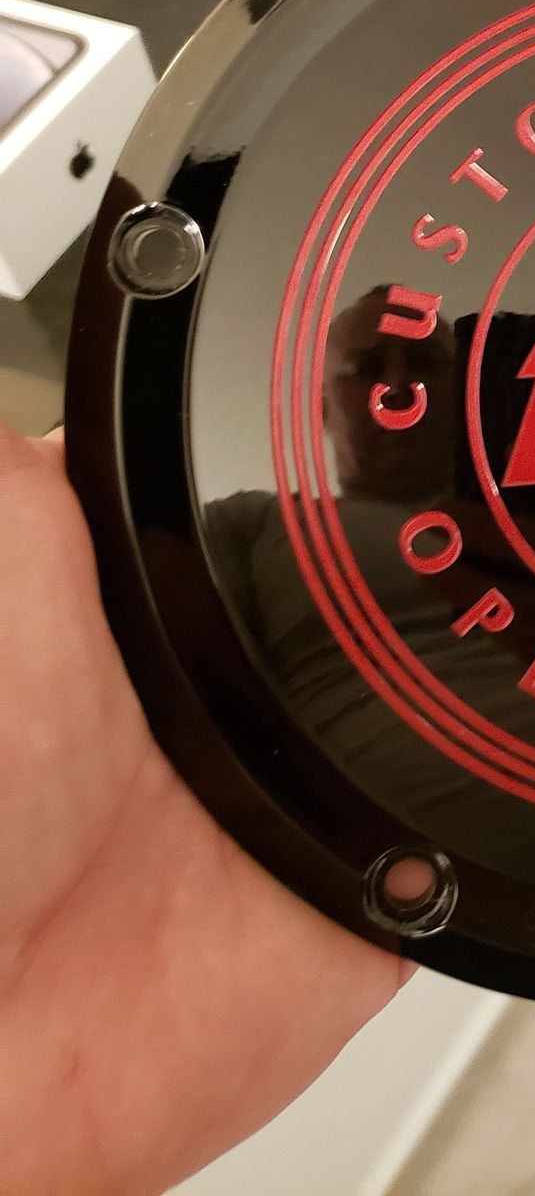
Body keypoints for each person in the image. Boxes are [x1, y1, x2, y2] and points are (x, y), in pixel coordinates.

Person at [0, 418, 405, 1196]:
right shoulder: (254, 519)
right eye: (368, 370)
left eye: (419, 368)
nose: (394, 393)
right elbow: (156, 617)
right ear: (328, 404)